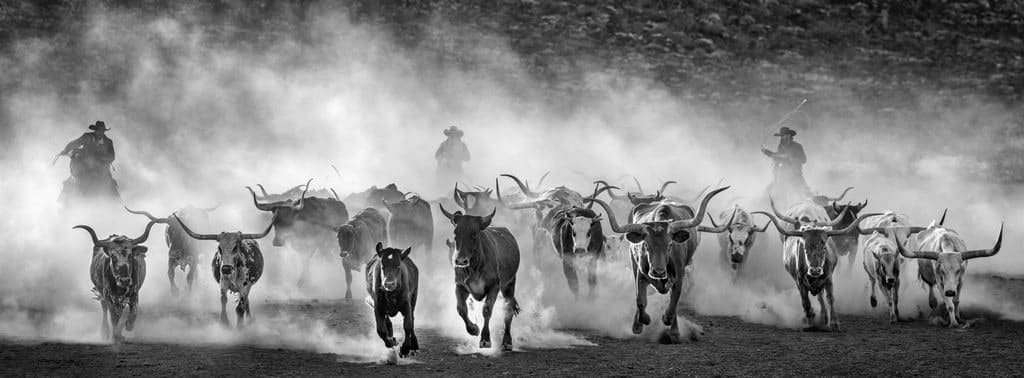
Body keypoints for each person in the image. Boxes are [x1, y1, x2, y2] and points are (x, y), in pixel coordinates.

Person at [54, 121, 119, 202]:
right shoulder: (87, 137)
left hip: (100, 168)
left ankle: (117, 202)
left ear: (104, 131)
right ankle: (64, 201)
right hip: (84, 165)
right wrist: (66, 150)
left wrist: (99, 159)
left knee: (111, 184)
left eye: (102, 131)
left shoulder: (108, 142)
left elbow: (112, 157)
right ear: (95, 130)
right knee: (75, 179)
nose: (100, 133)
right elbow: (74, 143)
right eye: (99, 130)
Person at [762, 126, 811, 203]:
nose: (781, 138)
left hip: (796, 176)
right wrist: (767, 152)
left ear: (788, 136)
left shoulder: (797, 146)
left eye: (783, 136)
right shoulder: (781, 146)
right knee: (771, 192)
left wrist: (791, 158)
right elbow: (778, 157)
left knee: (805, 194)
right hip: (782, 176)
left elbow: (803, 160)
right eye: (781, 136)